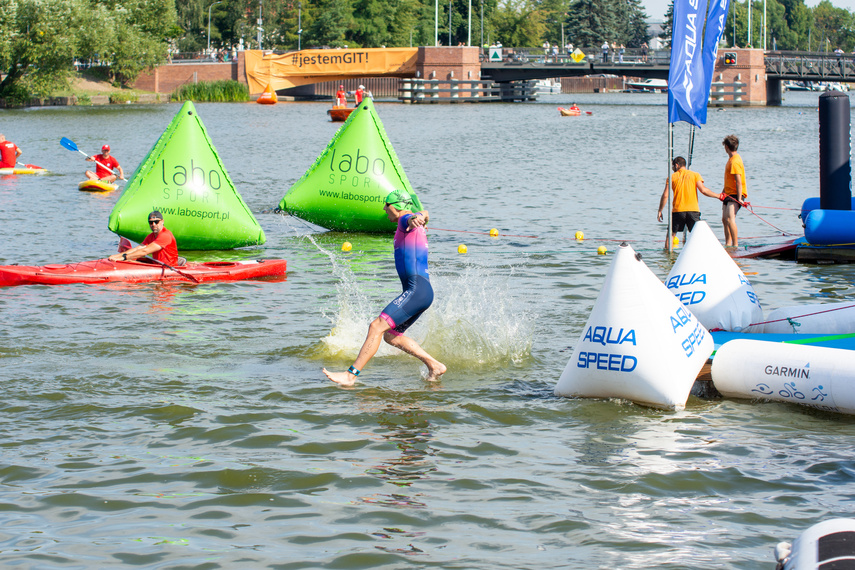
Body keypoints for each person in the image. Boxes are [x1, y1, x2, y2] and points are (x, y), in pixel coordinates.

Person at [323, 190, 446, 387]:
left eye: (386, 205)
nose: (383, 208)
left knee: (376, 326)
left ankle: (350, 375)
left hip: (416, 291)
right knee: (391, 336)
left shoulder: (403, 219)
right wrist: (421, 216)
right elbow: (424, 213)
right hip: (422, 292)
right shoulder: (412, 221)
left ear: (395, 206)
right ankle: (434, 365)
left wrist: (416, 218)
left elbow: (412, 216)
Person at [657, 156, 720, 247]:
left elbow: (665, 195)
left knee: (670, 236)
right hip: (693, 210)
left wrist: (660, 210)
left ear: (677, 165)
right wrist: (718, 196)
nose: (672, 169)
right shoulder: (695, 175)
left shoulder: (671, 177)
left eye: (673, 167)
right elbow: (703, 190)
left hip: (678, 210)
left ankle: (668, 257)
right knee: (697, 235)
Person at [108, 211, 181, 266]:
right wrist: (117, 256)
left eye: (156, 222)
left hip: (167, 267)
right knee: (129, 260)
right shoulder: (151, 236)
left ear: (162, 221)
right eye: (151, 222)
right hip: (156, 264)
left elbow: (145, 251)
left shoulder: (165, 235)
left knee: (128, 260)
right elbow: (138, 249)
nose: (153, 224)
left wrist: (124, 258)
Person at [721, 134, 748, 247]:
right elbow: (729, 179)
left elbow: (738, 181)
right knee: (724, 219)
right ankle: (728, 243)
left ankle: (735, 245)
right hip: (728, 193)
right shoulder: (731, 159)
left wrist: (740, 198)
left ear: (727, 147)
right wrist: (723, 192)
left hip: (736, 194)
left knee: (730, 219)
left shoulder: (735, 161)